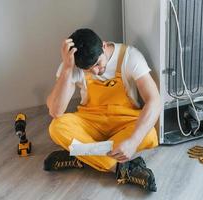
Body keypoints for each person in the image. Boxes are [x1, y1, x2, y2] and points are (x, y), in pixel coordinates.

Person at [44, 28, 162, 192]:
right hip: (91, 122)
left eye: (98, 64)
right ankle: (123, 169)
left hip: (124, 122)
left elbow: (154, 100)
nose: (96, 71)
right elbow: (55, 111)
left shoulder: (130, 56)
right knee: (57, 127)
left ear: (104, 46)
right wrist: (66, 69)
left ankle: (81, 157)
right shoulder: (72, 64)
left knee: (149, 134)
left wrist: (133, 141)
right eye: (88, 69)